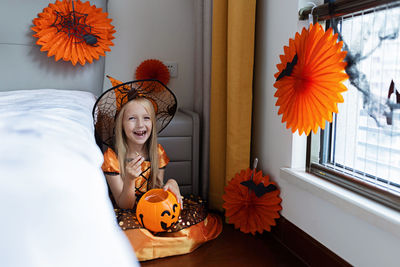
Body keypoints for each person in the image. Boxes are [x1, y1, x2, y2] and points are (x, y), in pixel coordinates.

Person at [93, 78, 222, 261]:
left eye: (146, 118)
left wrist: (172, 183)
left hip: (153, 209)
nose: (140, 125)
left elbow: (157, 189)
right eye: (132, 119)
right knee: (130, 237)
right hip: (128, 211)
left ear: (152, 123)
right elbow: (125, 205)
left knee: (189, 225)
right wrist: (129, 180)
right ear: (121, 124)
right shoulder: (112, 158)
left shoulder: (157, 152)